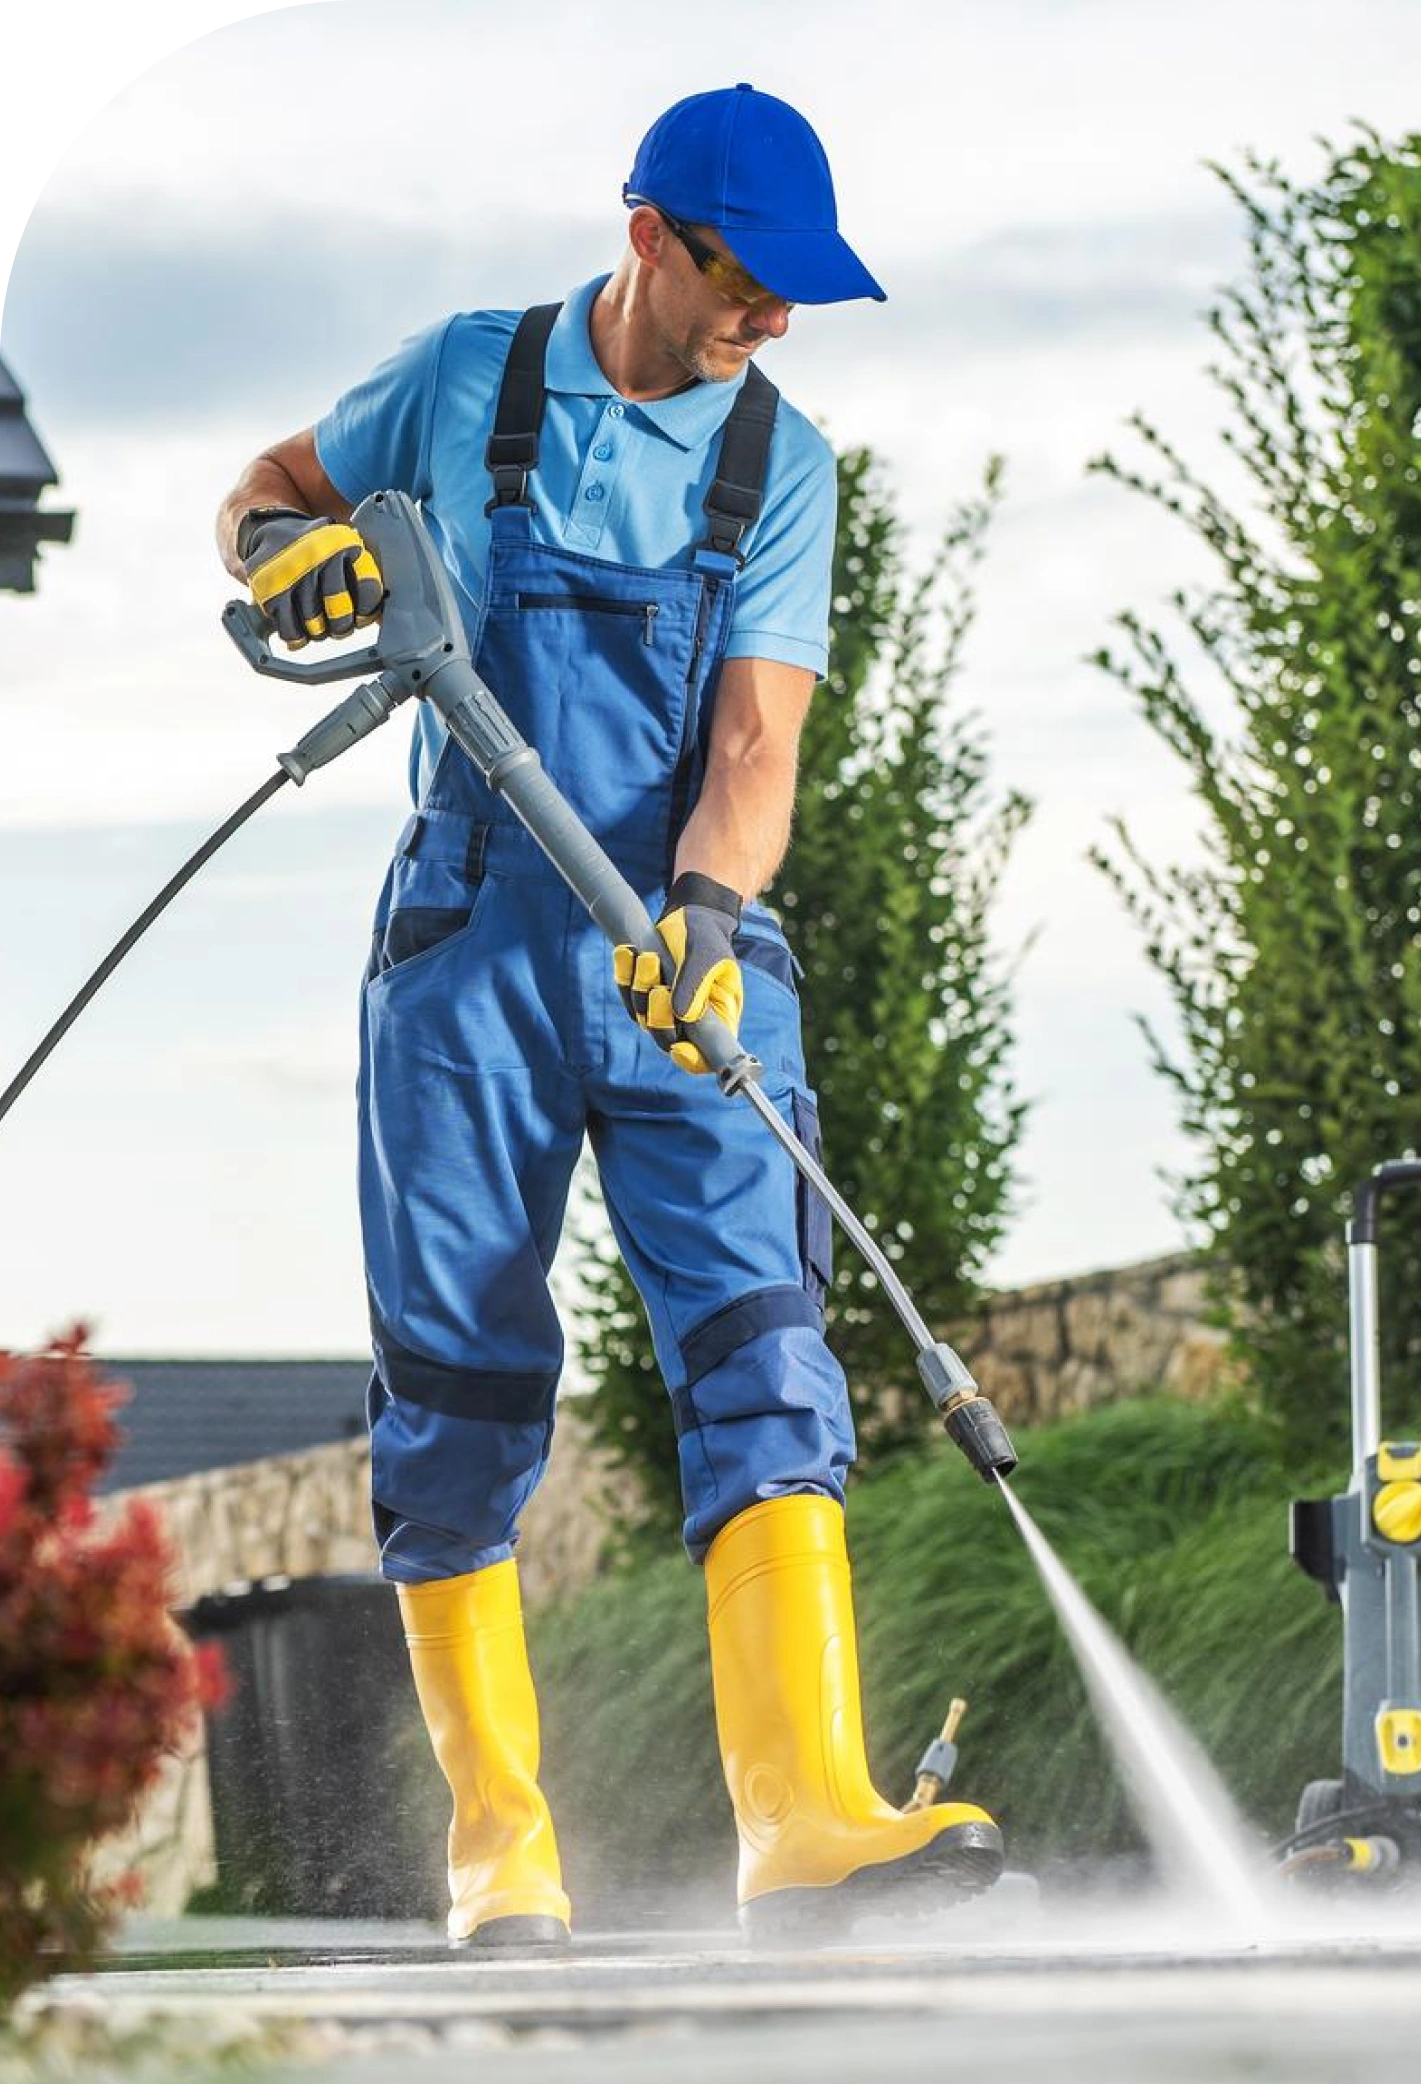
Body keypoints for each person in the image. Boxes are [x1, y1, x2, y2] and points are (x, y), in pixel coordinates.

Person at [212, 82, 1003, 1949]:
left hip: (689, 971)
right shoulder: (464, 383)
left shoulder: (779, 462)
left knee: (766, 1360)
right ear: (649, 235)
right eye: (747, 282)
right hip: (471, 955)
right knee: (464, 1396)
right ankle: (502, 1851)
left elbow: (755, 743)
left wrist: (708, 914)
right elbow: (264, 492)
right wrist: (276, 558)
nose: (774, 323)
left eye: (797, 295)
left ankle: (807, 1824)